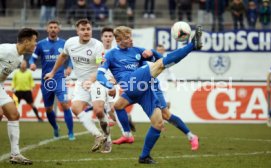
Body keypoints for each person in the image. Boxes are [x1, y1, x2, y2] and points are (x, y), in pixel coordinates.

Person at [96, 25, 202, 164]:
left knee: (158, 123)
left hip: (144, 89)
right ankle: (192, 45)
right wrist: (109, 85)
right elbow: (99, 74)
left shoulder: (137, 50)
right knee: (157, 67)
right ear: (118, 40)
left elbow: (162, 59)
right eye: (127, 38)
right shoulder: (110, 55)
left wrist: (151, 54)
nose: (131, 40)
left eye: (131, 36)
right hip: (131, 83)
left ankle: (144, 156)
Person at [44, 19, 111, 153]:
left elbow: (100, 68)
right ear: (77, 31)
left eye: (88, 29)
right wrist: (52, 72)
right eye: (83, 29)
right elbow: (62, 56)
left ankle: (108, 140)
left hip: (97, 80)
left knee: (98, 111)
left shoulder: (97, 46)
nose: (86, 32)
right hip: (81, 82)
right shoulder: (70, 43)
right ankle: (98, 135)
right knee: (75, 108)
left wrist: (91, 81)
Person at [29, 20, 75, 140]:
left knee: (65, 104)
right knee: (48, 109)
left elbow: (71, 58)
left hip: (60, 79)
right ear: (47, 29)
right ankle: (55, 127)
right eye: (51, 27)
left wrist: (70, 67)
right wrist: (32, 64)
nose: (53, 29)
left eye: (55, 27)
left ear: (58, 29)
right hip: (47, 80)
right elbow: (32, 59)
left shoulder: (65, 43)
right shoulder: (40, 44)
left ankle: (71, 133)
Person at [0, 28, 38, 165]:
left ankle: (15, 154)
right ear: (26, 41)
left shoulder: (20, 57)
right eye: (34, 41)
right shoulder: (5, 49)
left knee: (14, 114)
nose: (35, 44)